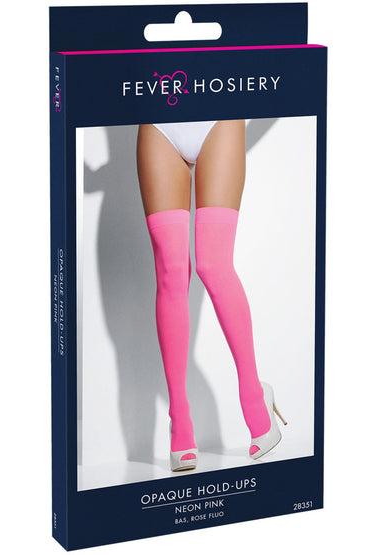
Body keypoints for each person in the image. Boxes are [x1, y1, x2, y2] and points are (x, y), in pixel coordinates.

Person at [137, 119, 285, 472]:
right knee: (171, 272)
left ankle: (255, 396)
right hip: (159, 123)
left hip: (218, 119)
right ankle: (179, 416)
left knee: (213, 264)